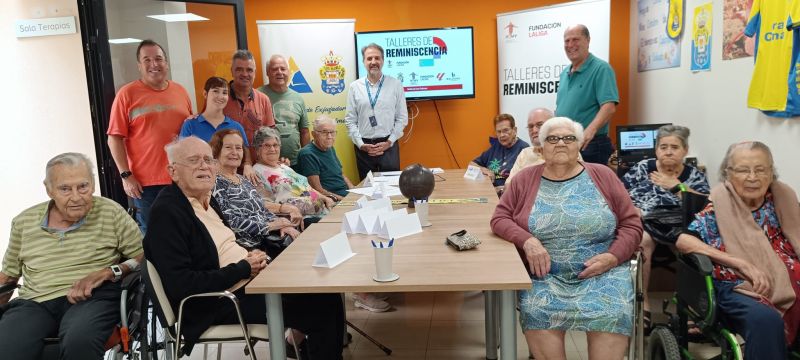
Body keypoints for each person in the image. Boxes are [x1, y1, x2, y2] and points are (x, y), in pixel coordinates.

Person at [143, 137, 344, 358]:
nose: (204, 166)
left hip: (246, 281)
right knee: (320, 310)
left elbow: (225, 244)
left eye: (208, 160)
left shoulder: (207, 200)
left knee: (325, 291)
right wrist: (243, 268)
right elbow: (182, 284)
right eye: (193, 160)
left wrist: (250, 256)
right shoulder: (167, 213)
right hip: (217, 301)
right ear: (173, 171)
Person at [491, 117, 642, 360]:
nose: (560, 143)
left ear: (579, 144)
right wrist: (528, 241)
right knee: (535, 308)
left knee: (614, 309)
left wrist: (613, 257)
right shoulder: (524, 179)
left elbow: (631, 224)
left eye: (569, 138)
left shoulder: (603, 175)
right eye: (552, 138)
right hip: (545, 276)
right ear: (541, 146)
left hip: (603, 274)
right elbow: (499, 218)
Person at [0, 153, 143, 359]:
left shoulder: (110, 212)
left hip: (92, 298)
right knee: (7, 348)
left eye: (83, 186)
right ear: (49, 189)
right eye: (65, 189)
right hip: (35, 302)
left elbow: (144, 257)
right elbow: (8, 277)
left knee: (79, 341)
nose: (76, 197)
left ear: (93, 185)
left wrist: (110, 271)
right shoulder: (24, 221)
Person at [676, 141, 800, 359]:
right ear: (728, 174)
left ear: (771, 172)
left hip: (790, 279)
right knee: (765, 320)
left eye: (761, 169)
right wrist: (741, 263)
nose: (753, 177)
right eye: (743, 170)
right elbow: (684, 241)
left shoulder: (783, 199)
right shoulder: (719, 205)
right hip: (736, 285)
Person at [622, 125, 710, 330]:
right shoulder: (643, 168)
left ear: (685, 150)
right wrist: (631, 207)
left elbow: (705, 205)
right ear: (656, 150)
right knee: (641, 243)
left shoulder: (694, 176)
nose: (668, 151)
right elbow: (619, 193)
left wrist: (677, 185)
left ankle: (689, 309)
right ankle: (642, 304)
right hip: (646, 224)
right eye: (663, 147)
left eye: (674, 147)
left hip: (680, 227)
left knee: (693, 250)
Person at [107, 39, 193, 233]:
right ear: (139, 66)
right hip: (145, 185)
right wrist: (125, 175)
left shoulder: (180, 91)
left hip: (180, 178)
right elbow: (114, 138)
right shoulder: (126, 94)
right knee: (154, 236)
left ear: (166, 63)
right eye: (147, 60)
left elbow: (189, 132)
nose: (154, 64)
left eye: (158, 59)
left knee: (185, 231)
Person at [208, 129, 301, 256]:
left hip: (268, 240)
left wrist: (282, 225)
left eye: (238, 148)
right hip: (246, 248)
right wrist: (269, 226)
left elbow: (262, 210)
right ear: (217, 151)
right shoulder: (214, 183)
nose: (234, 152)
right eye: (228, 147)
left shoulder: (242, 179)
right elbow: (229, 221)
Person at [555, 24, 619, 165]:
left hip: (591, 145)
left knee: (591, 186)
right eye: (567, 41)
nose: (570, 44)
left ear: (588, 40)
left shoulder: (601, 69)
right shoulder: (565, 73)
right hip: (567, 143)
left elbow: (609, 106)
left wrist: (590, 131)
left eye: (575, 39)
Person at [344, 43, 408, 180]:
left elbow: (402, 118)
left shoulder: (395, 85)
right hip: (364, 148)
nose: (373, 62)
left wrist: (389, 142)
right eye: (369, 58)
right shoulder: (354, 87)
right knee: (368, 190)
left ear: (383, 61)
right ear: (363, 62)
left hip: (388, 146)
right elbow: (350, 120)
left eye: (377, 58)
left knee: (392, 187)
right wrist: (361, 144)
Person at [252, 127, 334, 225]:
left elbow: (306, 188)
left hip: (323, 211)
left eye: (275, 145)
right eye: (267, 145)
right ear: (257, 149)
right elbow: (264, 204)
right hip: (303, 219)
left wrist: (325, 198)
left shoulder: (284, 167)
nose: (272, 149)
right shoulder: (256, 172)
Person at [223, 49, 275, 186]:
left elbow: (270, 136)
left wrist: (274, 158)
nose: (245, 74)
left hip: (257, 173)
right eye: (239, 69)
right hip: (226, 172)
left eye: (249, 70)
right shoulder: (220, 98)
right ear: (232, 71)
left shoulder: (263, 99)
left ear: (255, 73)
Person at [258, 55, 311, 167]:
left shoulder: (298, 98)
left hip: (296, 163)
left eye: (283, 69)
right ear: (267, 72)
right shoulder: (258, 96)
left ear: (289, 72)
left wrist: (307, 158)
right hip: (267, 164)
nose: (279, 72)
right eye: (274, 69)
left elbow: (304, 131)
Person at [296, 115, 355, 202]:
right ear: (314, 134)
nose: (329, 136)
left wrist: (353, 190)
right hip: (331, 199)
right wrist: (345, 200)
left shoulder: (329, 148)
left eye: (332, 132)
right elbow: (317, 189)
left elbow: (341, 174)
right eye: (324, 132)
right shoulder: (307, 154)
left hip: (345, 194)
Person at [469, 113, 529, 192]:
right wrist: (486, 171)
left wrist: (501, 189)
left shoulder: (524, 149)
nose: (502, 135)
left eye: (505, 130)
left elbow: (526, 182)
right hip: (489, 192)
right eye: (499, 132)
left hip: (509, 196)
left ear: (514, 130)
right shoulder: (496, 146)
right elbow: (472, 164)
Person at [179, 76, 248, 144]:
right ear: (205, 94)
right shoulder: (190, 125)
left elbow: (246, 154)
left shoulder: (236, 127)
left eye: (224, 93)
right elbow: (181, 153)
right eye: (216, 91)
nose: (221, 96)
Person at [507, 108, 555, 184]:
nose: (534, 130)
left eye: (540, 125)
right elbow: (509, 185)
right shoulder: (525, 153)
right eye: (530, 126)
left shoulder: (566, 152)